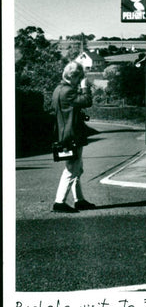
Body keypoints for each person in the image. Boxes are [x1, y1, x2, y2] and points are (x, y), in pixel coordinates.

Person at [52, 61, 95, 213]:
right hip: (72, 135)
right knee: (71, 169)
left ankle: (79, 200)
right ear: (73, 76)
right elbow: (87, 102)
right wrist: (84, 87)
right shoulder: (68, 91)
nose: (80, 80)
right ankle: (59, 202)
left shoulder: (58, 89)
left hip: (64, 134)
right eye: (80, 77)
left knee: (77, 168)